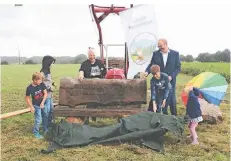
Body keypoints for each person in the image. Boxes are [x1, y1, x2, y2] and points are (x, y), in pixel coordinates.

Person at [145, 39, 181, 116]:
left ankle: (174, 116)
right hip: (158, 80)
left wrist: (172, 76)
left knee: (171, 99)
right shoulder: (155, 54)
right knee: (155, 97)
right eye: (158, 46)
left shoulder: (175, 54)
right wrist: (147, 72)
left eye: (160, 46)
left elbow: (178, 68)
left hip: (170, 81)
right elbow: (151, 64)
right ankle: (150, 115)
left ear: (166, 44)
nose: (159, 48)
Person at [78, 47, 106, 123]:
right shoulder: (85, 63)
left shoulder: (99, 63)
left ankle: (93, 118)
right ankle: (88, 118)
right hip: (89, 87)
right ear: (88, 55)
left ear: (95, 55)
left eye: (93, 55)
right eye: (90, 55)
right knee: (90, 102)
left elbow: (104, 73)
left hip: (98, 87)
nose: (91, 56)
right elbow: (81, 70)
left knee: (96, 102)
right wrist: (81, 75)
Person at [25, 72, 48, 139]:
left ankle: (45, 129)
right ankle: (36, 132)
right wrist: (31, 106)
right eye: (39, 80)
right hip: (36, 105)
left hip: (43, 104)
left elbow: (45, 93)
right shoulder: (29, 88)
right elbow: (27, 97)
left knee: (45, 116)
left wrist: (43, 102)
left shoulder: (41, 84)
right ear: (34, 80)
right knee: (38, 119)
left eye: (41, 80)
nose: (40, 81)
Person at [40, 55, 56, 129]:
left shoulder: (48, 71)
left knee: (51, 111)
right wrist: (49, 89)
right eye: (52, 63)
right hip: (45, 96)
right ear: (48, 63)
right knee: (46, 112)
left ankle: (50, 125)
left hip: (50, 96)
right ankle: (45, 128)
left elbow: (47, 82)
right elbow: (39, 84)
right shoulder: (42, 72)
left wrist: (52, 84)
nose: (52, 65)